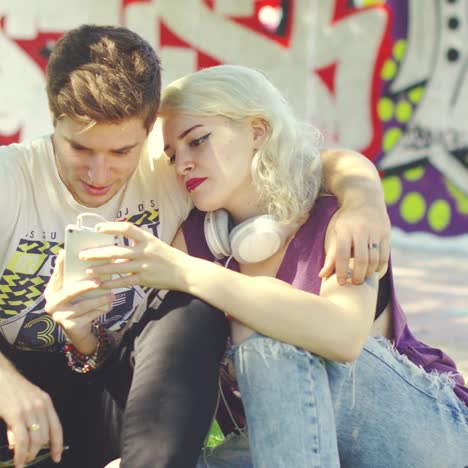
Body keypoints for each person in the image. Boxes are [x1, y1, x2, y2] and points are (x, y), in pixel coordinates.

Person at [0, 24, 390, 468]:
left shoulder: (173, 169)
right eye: (80, 148)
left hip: (116, 394)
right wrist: (6, 384)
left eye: (121, 152)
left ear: (146, 133)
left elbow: (305, 160)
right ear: (53, 119)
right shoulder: (11, 179)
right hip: (17, 388)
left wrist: (361, 199)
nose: (99, 172)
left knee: (193, 308)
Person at [82, 64, 468, 467]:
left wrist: (186, 272)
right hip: (291, 444)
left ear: (257, 131)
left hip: (424, 432)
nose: (183, 165)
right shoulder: (196, 240)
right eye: (173, 155)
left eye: (197, 141)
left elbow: (344, 336)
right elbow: (164, 374)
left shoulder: (337, 215)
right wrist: (86, 333)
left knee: (270, 336)